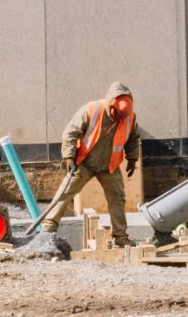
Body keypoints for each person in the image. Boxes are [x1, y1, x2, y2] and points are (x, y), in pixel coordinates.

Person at [40, 82, 143, 247]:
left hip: (109, 166)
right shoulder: (91, 110)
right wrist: (69, 157)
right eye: (119, 115)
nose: (121, 119)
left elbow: (133, 138)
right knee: (65, 193)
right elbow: (71, 132)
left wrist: (132, 158)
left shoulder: (130, 116)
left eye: (124, 116)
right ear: (112, 107)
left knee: (118, 198)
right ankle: (48, 227)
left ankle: (120, 236)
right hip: (84, 163)